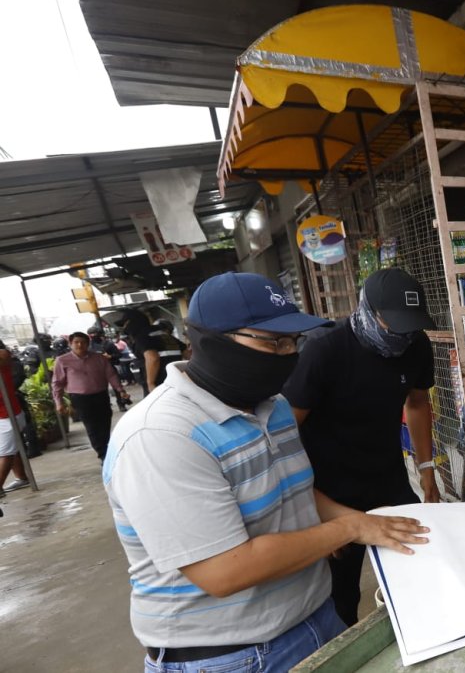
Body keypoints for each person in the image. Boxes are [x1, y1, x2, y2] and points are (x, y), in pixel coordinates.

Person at [104, 271, 432, 673]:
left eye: (293, 342)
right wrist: (349, 529)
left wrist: (365, 521)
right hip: (230, 656)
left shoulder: (272, 406)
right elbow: (225, 570)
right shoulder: (161, 435)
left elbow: (295, 489)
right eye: (273, 342)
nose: (287, 355)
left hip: (314, 620)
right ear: (209, 340)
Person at [283, 267, 441, 626]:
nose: (404, 336)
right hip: (330, 487)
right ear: (368, 312)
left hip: (387, 478)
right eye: (395, 326)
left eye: (412, 326)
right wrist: (313, 510)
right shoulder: (325, 352)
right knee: (341, 592)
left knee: (423, 560)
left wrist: (426, 469)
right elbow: (284, 432)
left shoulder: (417, 345)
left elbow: (417, 404)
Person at [52, 332, 128, 460]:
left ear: (88, 344)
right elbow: (57, 383)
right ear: (70, 344)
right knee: (92, 427)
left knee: (104, 424)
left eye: (83, 342)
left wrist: (120, 390)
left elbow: (111, 375)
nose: (80, 345)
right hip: (81, 399)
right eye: (76, 342)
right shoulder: (62, 361)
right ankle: (103, 455)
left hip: (101, 396)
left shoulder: (99, 358)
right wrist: (59, 402)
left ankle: (107, 451)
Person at [105, 309, 184, 394]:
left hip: (159, 384)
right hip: (176, 381)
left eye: (125, 324)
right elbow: (187, 353)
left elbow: (153, 358)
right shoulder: (164, 334)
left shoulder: (142, 336)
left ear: (133, 322)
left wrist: (150, 383)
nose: (124, 328)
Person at [0, 345, 30, 494]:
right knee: (12, 449)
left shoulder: (3, 355)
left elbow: (5, 354)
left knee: (6, 452)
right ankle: (22, 477)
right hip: (5, 414)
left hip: (8, 414)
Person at [88, 325, 129, 411]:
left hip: (110, 368)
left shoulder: (108, 343)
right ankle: (106, 406)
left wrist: (110, 356)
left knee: (118, 387)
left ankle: (121, 403)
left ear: (99, 334)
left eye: (94, 333)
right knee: (101, 390)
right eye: (90, 334)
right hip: (96, 371)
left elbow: (118, 355)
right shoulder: (89, 346)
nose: (93, 336)